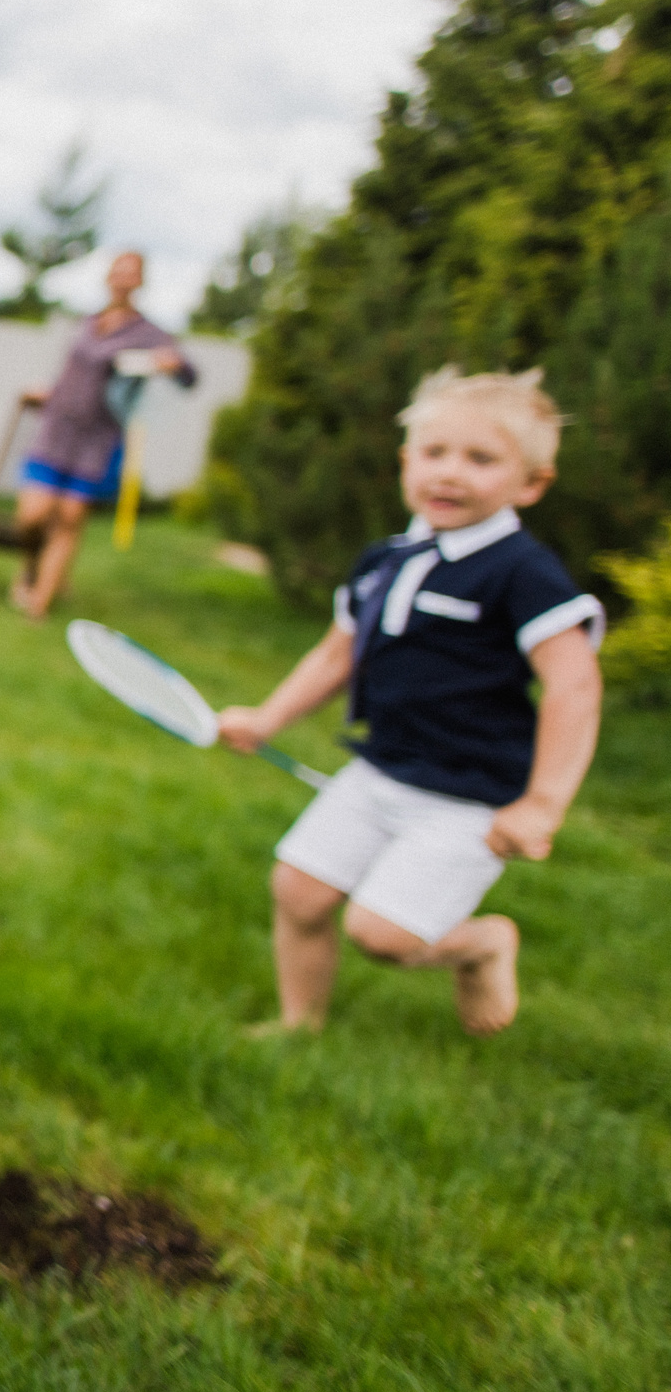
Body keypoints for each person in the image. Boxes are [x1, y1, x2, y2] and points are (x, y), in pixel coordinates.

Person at [215, 368, 604, 1036]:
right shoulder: (384, 559)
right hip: (378, 768)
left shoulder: (522, 571)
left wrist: (542, 802)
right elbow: (337, 654)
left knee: (383, 934)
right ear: (407, 462)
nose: (451, 473)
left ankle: (482, 944)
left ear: (531, 483)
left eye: (481, 459)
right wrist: (268, 717)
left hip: (469, 793)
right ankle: (299, 1024)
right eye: (435, 453)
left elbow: (574, 683)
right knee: (299, 890)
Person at [0, 249, 195, 618]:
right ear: (108, 276)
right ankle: (32, 570)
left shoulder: (149, 333)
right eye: (118, 271)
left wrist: (173, 364)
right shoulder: (87, 322)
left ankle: (39, 604)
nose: (123, 279)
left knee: (68, 518)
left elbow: (188, 376)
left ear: (140, 281)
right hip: (57, 427)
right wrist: (49, 390)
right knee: (32, 517)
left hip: (98, 436)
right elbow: (73, 371)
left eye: (132, 273)